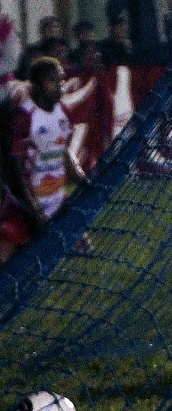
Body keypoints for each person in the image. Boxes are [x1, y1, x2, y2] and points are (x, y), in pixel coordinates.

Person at [0, 57, 87, 264]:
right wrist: (36, 211)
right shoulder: (24, 117)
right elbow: (17, 170)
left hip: (56, 197)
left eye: (61, 80)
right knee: (8, 259)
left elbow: (63, 149)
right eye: (51, 81)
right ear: (36, 86)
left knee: (83, 253)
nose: (59, 86)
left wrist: (80, 176)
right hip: (27, 204)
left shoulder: (62, 112)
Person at [17, 15, 65, 80]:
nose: (53, 30)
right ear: (42, 31)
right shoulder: (32, 51)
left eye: (56, 27)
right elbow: (24, 72)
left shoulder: (65, 49)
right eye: (49, 27)